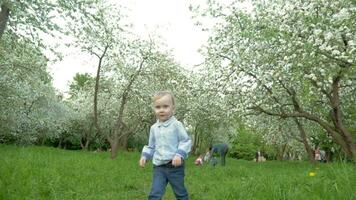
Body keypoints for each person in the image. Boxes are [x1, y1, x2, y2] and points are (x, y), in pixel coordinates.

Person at [139, 91, 192, 200]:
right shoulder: (154, 128)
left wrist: (179, 154)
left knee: (180, 193)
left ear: (173, 108)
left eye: (165, 106)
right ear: (154, 109)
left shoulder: (176, 125)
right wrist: (145, 156)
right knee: (155, 194)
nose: (162, 110)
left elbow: (185, 141)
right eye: (158, 107)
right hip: (159, 167)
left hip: (175, 167)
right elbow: (151, 145)